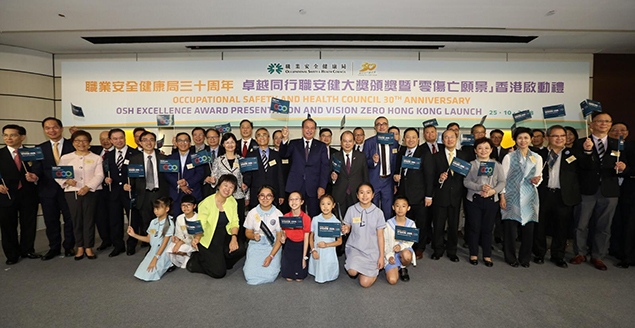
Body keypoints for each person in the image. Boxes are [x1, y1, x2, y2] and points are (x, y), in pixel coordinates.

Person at [571, 112, 626, 271]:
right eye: (600, 121)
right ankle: (580, 252)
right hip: (586, 189)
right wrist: (587, 152)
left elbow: (626, 166)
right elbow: (577, 165)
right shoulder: (580, 143)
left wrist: (624, 168)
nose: (604, 123)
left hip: (609, 191)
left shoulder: (618, 144)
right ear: (591, 125)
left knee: (604, 226)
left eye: (607, 121)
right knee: (581, 223)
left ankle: (598, 256)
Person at [533, 125, 580, 268]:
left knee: (562, 227)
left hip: (563, 196)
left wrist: (589, 151)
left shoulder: (574, 154)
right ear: (547, 138)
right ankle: (539, 253)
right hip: (543, 194)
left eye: (562, 136)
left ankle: (558, 255)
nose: (559, 139)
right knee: (540, 225)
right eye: (555, 136)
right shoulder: (538, 154)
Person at [30, 117, 75, 260]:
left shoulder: (73, 145)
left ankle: (69, 246)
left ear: (61, 128)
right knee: (51, 220)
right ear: (44, 130)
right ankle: (54, 248)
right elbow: (37, 170)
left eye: (54, 127)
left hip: (69, 189)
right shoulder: (39, 149)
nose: (51, 130)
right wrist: (34, 177)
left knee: (70, 219)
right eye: (47, 128)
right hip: (47, 191)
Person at [56, 130, 104, 260]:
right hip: (72, 192)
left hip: (91, 192)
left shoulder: (96, 158)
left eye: (84, 140)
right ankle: (80, 247)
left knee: (89, 220)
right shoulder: (66, 158)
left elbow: (100, 175)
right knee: (76, 220)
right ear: (73, 143)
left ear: (89, 143)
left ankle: (88, 247)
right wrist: (66, 180)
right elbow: (58, 175)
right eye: (77, 141)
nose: (81, 143)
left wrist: (88, 187)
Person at [500, 127, 543, 268]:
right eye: (519, 138)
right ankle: (510, 257)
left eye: (526, 137)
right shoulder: (509, 157)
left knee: (528, 230)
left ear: (531, 139)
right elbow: (503, 178)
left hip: (529, 196)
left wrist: (537, 181)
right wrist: (503, 196)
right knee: (510, 230)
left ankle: (525, 258)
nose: (523, 141)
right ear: (515, 139)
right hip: (511, 195)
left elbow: (539, 176)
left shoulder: (537, 157)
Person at [187, 174, 245, 278]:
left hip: (224, 234)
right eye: (225, 185)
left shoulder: (232, 201)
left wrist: (234, 237)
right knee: (219, 273)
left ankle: (223, 261)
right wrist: (197, 238)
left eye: (231, 187)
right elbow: (201, 223)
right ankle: (196, 260)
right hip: (209, 237)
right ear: (218, 186)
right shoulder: (206, 203)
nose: (227, 189)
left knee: (241, 247)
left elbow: (235, 222)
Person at [0, 124, 40, 264]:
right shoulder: (1, 154)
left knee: (28, 224)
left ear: (22, 137)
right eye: (5, 135)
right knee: (8, 226)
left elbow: (40, 170)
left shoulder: (33, 153)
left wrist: (35, 177)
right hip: (7, 195)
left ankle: (28, 249)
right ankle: (12, 254)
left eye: (13, 135)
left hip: (28, 194)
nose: (8, 138)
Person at [124, 131, 169, 255]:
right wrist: (127, 185)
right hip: (143, 195)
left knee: (162, 223)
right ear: (140, 142)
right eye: (145, 140)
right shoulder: (134, 159)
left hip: (160, 194)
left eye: (151, 140)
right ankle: (152, 246)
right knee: (147, 223)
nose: (148, 142)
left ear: (155, 142)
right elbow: (130, 178)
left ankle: (162, 247)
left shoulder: (163, 158)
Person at [425, 129, 467, 262]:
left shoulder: (463, 156)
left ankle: (452, 251)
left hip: (456, 196)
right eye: (446, 138)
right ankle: (437, 250)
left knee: (454, 226)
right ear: (442, 140)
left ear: (456, 138)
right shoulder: (436, 156)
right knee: (438, 225)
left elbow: (466, 177)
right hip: (440, 196)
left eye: (452, 137)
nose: (449, 140)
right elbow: (430, 177)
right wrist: (440, 179)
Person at [463, 138, 505, 267]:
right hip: (474, 199)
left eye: (487, 148)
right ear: (475, 150)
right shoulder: (471, 164)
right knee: (474, 228)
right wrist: (479, 187)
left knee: (488, 229)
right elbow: (466, 182)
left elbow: (502, 182)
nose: (483, 151)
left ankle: (487, 255)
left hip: (491, 200)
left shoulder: (497, 165)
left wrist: (493, 191)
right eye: (480, 148)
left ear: (491, 150)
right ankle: (473, 253)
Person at [279, 119, 329, 217]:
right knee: (295, 217)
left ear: (315, 130)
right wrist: (284, 139)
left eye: (312, 128)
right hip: (295, 187)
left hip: (314, 187)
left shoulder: (321, 146)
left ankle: (311, 233)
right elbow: (283, 154)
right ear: (302, 129)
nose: (309, 130)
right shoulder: (294, 143)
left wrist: (322, 186)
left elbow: (325, 167)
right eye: (307, 127)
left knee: (314, 215)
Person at [103, 128, 141, 257]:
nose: (118, 141)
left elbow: (140, 174)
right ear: (111, 140)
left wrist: (132, 185)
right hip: (113, 193)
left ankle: (131, 245)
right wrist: (105, 179)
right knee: (115, 220)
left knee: (132, 219)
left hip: (129, 192)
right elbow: (104, 172)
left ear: (125, 138)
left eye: (121, 138)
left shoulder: (135, 153)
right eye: (115, 138)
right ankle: (118, 245)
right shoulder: (107, 156)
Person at [393, 128, 430, 259]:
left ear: (418, 139)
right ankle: (405, 245)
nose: (410, 140)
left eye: (413, 137)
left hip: (419, 195)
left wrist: (428, 196)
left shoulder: (424, 153)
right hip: (403, 194)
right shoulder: (401, 151)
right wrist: (396, 176)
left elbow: (429, 176)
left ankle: (419, 248)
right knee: (405, 222)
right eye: (407, 137)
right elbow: (398, 169)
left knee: (420, 223)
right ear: (404, 139)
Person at [342, 183, 386, 288]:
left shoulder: (378, 213)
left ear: (373, 195)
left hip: (371, 250)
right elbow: (347, 225)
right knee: (352, 272)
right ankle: (360, 268)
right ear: (357, 195)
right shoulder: (351, 210)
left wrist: (381, 257)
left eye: (368, 192)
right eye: (361, 192)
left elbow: (380, 236)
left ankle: (369, 270)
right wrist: (346, 228)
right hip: (355, 247)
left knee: (364, 283)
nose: (365, 196)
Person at [210, 133, 249, 238]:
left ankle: (238, 245)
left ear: (236, 144)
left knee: (238, 222)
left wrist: (247, 194)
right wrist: (212, 180)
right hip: (222, 198)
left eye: (232, 142)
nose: (230, 145)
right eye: (227, 142)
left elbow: (246, 179)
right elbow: (214, 178)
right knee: (223, 221)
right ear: (223, 144)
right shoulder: (218, 160)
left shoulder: (242, 160)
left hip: (238, 196)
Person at [243, 185, 284, 285]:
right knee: (249, 275)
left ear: (273, 198)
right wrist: (253, 236)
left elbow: (279, 238)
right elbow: (247, 232)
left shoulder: (278, 214)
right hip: (256, 243)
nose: (265, 198)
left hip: (273, 245)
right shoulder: (252, 213)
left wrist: (271, 256)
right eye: (262, 195)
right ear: (258, 197)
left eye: (269, 196)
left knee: (270, 275)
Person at [127, 196, 175, 281]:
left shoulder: (168, 224)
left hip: (163, 252)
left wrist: (155, 259)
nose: (155, 211)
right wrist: (134, 235)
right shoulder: (153, 222)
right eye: (155, 208)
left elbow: (164, 244)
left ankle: (171, 263)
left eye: (158, 209)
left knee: (151, 274)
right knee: (141, 273)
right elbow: (148, 239)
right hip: (153, 251)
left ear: (167, 209)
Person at [363, 116, 399, 220]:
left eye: (384, 124)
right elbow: (364, 163)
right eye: (379, 124)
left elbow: (395, 163)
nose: (381, 126)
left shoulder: (394, 143)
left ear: (388, 126)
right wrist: (373, 161)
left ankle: (385, 234)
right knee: (372, 210)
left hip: (388, 181)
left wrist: (395, 183)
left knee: (387, 211)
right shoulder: (369, 142)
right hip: (374, 180)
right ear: (375, 127)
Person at [243, 128, 285, 210]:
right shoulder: (250, 155)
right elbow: (247, 175)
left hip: (273, 194)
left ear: (269, 138)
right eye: (259, 135)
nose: (262, 137)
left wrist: (281, 194)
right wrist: (245, 183)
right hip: (256, 194)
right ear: (256, 139)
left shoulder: (276, 155)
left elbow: (280, 176)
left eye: (264, 135)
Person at [165, 132, 205, 216]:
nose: (183, 143)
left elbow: (200, 174)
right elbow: (167, 175)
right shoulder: (170, 158)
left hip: (192, 193)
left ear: (190, 143)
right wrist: (180, 185)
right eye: (180, 141)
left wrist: (187, 183)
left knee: (193, 221)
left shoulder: (197, 157)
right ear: (176, 143)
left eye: (186, 141)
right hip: (175, 195)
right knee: (176, 221)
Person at [89, 131, 114, 252]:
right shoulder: (94, 151)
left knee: (114, 216)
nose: (105, 141)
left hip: (114, 189)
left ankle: (115, 239)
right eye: (101, 139)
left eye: (107, 138)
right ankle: (105, 239)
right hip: (97, 189)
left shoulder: (118, 152)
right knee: (100, 216)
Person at [308, 194, 341, 284]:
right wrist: (313, 250)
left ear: (333, 205)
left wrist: (326, 245)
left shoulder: (336, 222)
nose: (325, 206)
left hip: (329, 251)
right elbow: (311, 236)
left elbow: (339, 241)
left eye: (328, 204)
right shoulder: (315, 219)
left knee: (328, 268)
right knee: (318, 266)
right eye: (323, 204)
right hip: (317, 250)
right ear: (319, 205)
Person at [384, 196, 416, 284]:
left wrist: (400, 246)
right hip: (391, 252)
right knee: (392, 280)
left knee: (407, 255)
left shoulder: (411, 224)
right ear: (393, 207)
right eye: (397, 206)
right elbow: (385, 242)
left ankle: (402, 267)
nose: (400, 209)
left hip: (404, 251)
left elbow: (410, 242)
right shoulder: (388, 224)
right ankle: (394, 266)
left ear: (408, 208)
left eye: (404, 206)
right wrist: (389, 256)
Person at [280, 191, 311, 282]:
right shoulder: (285, 217)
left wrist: (304, 257)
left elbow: (306, 238)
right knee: (288, 277)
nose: (294, 202)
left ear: (302, 202)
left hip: (301, 246)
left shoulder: (306, 218)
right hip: (289, 245)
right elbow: (284, 233)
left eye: (296, 199)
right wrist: (283, 237)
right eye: (291, 199)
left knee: (299, 278)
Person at [167, 194, 198, 269]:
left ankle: (188, 257)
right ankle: (183, 259)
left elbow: (195, 237)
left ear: (194, 206)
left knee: (179, 248)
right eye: (183, 205)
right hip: (184, 240)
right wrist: (177, 239)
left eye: (188, 205)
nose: (185, 207)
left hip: (194, 242)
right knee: (169, 249)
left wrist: (180, 242)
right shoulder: (180, 218)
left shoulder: (198, 218)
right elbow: (178, 233)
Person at [202, 128, 225, 198]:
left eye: (214, 137)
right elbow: (198, 171)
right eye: (209, 137)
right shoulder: (201, 154)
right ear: (206, 139)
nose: (212, 139)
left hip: (223, 187)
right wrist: (205, 178)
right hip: (207, 188)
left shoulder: (225, 151)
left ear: (219, 137)